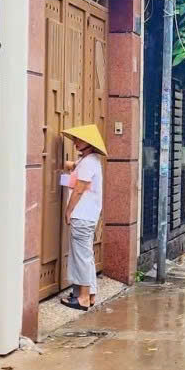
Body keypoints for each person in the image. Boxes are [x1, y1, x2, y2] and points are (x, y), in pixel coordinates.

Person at [60, 124, 106, 311]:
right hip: (87, 215)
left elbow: (79, 189)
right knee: (86, 255)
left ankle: (83, 298)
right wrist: (66, 166)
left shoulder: (88, 163)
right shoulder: (88, 161)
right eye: (75, 139)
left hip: (82, 215)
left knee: (82, 256)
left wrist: (68, 210)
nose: (76, 142)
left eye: (79, 140)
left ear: (89, 143)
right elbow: (73, 171)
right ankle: (90, 294)